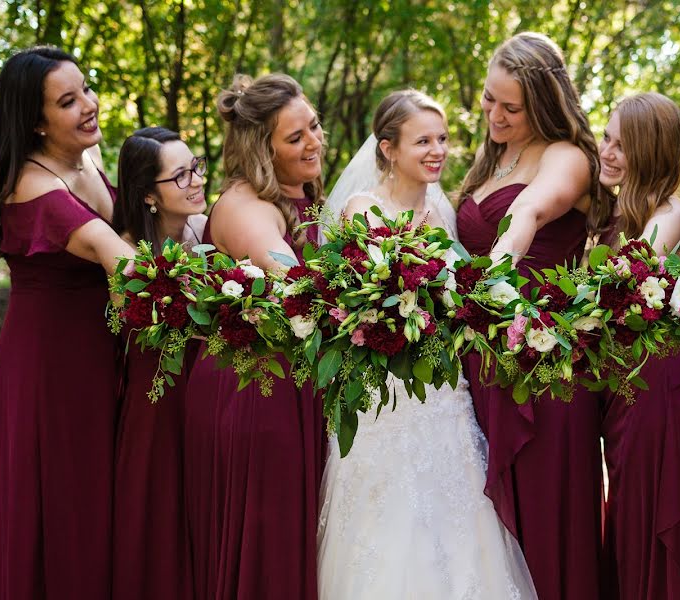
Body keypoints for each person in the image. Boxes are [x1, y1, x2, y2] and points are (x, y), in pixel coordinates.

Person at [316, 89, 536, 599]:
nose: (436, 150)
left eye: (441, 139)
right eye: (422, 141)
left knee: (457, 519)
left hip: (443, 393)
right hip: (386, 396)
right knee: (389, 522)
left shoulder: (441, 215)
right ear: (389, 148)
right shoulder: (363, 211)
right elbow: (377, 306)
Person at [455, 32, 608, 600]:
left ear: (542, 104)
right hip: (481, 358)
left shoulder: (566, 157)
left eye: (510, 107)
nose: (494, 114)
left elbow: (528, 211)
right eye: (489, 99)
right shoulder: (496, 153)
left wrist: (490, 278)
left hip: (542, 365)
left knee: (543, 514)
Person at [0, 46, 134, 599]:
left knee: (97, 498)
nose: (89, 106)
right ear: (35, 122)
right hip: (50, 370)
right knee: (64, 504)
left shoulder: (86, 161)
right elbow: (117, 255)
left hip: (96, 355)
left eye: (86, 89)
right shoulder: (32, 183)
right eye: (68, 101)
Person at [183, 74, 325, 599]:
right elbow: (290, 274)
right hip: (250, 394)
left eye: (312, 126)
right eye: (296, 137)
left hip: (289, 386)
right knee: (265, 545)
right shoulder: (246, 207)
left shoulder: (297, 193)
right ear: (263, 150)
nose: (313, 141)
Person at [594, 92, 680, 600]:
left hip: (655, 385)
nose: (607, 152)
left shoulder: (670, 215)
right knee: (626, 510)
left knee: (647, 513)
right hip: (623, 387)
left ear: (652, 152)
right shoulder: (621, 211)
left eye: (622, 145)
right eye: (606, 138)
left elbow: (624, 285)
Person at [110, 127, 207, 600]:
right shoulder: (122, 252)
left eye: (196, 166)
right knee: (155, 516)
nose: (196, 180)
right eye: (181, 175)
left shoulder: (207, 230)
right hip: (153, 408)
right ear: (149, 194)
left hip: (205, 397)